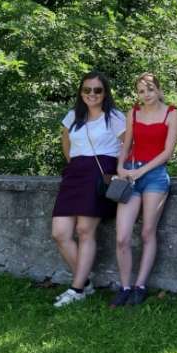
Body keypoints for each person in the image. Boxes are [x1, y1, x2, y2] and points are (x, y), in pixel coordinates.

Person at [50, 71, 127, 307]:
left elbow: (128, 145)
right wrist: (74, 163)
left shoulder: (114, 116)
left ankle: (77, 288)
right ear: (80, 92)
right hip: (74, 174)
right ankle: (85, 283)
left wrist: (120, 170)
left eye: (97, 90)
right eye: (87, 90)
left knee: (85, 230)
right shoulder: (73, 116)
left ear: (105, 92)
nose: (92, 94)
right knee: (60, 233)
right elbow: (66, 142)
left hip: (99, 173)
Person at [110, 73, 177, 307]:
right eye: (141, 91)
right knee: (122, 237)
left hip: (155, 177)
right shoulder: (133, 113)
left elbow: (167, 152)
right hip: (130, 174)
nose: (146, 95)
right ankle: (125, 286)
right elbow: (126, 144)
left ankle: (140, 285)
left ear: (159, 90)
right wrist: (120, 166)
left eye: (150, 89)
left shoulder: (171, 113)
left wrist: (141, 172)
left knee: (148, 232)